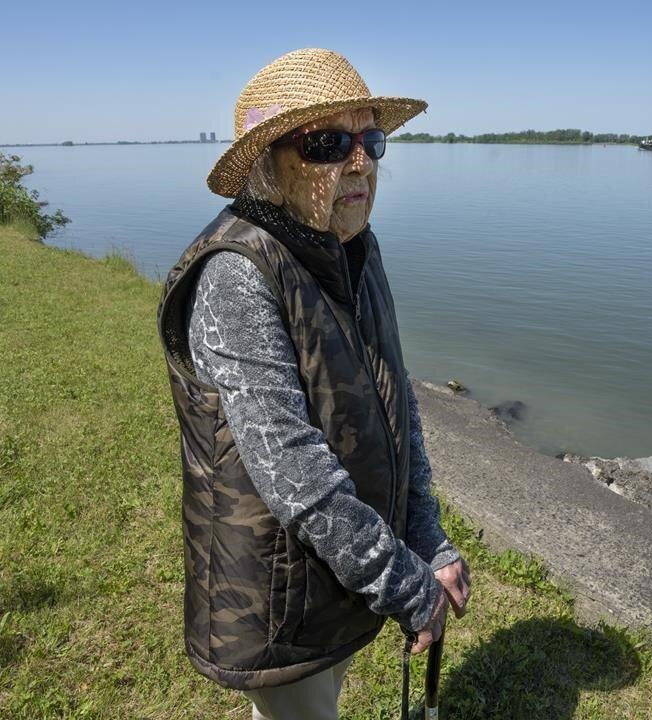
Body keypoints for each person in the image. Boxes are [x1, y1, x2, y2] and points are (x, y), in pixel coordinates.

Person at [155, 48, 470, 720]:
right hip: (276, 592)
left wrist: (426, 535)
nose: (359, 163)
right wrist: (406, 584)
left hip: (345, 567)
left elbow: (396, 398)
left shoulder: (355, 247)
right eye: (328, 143)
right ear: (270, 163)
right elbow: (294, 473)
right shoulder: (237, 274)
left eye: (370, 140)